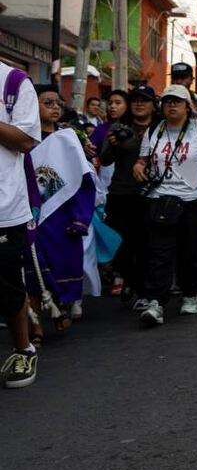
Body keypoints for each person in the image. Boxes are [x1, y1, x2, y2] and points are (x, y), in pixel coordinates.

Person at [132, 84, 197, 325]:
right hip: (161, 198)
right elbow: (142, 160)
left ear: (187, 106)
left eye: (177, 101)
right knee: (159, 252)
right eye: (167, 101)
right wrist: (138, 167)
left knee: (189, 252)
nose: (172, 105)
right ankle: (156, 302)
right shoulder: (154, 130)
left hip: (193, 200)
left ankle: (190, 293)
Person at [23, 84, 96, 343]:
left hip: (63, 215)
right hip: (31, 216)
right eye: (47, 103)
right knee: (32, 271)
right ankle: (35, 327)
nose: (54, 108)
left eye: (58, 103)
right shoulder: (22, 139)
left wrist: (80, 218)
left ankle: (61, 305)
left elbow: (82, 180)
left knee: (63, 266)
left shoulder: (68, 139)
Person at [0, 62, 41, 388]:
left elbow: (26, 140)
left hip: (4, 207)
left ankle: (23, 349)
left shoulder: (13, 82)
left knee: (7, 286)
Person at [100, 85, 158, 304]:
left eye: (145, 100)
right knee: (120, 245)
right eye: (135, 100)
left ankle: (142, 290)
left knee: (145, 244)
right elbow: (105, 159)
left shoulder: (160, 128)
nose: (139, 103)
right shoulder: (119, 127)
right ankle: (128, 278)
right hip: (121, 193)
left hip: (150, 194)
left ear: (153, 105)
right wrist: (114, 144)